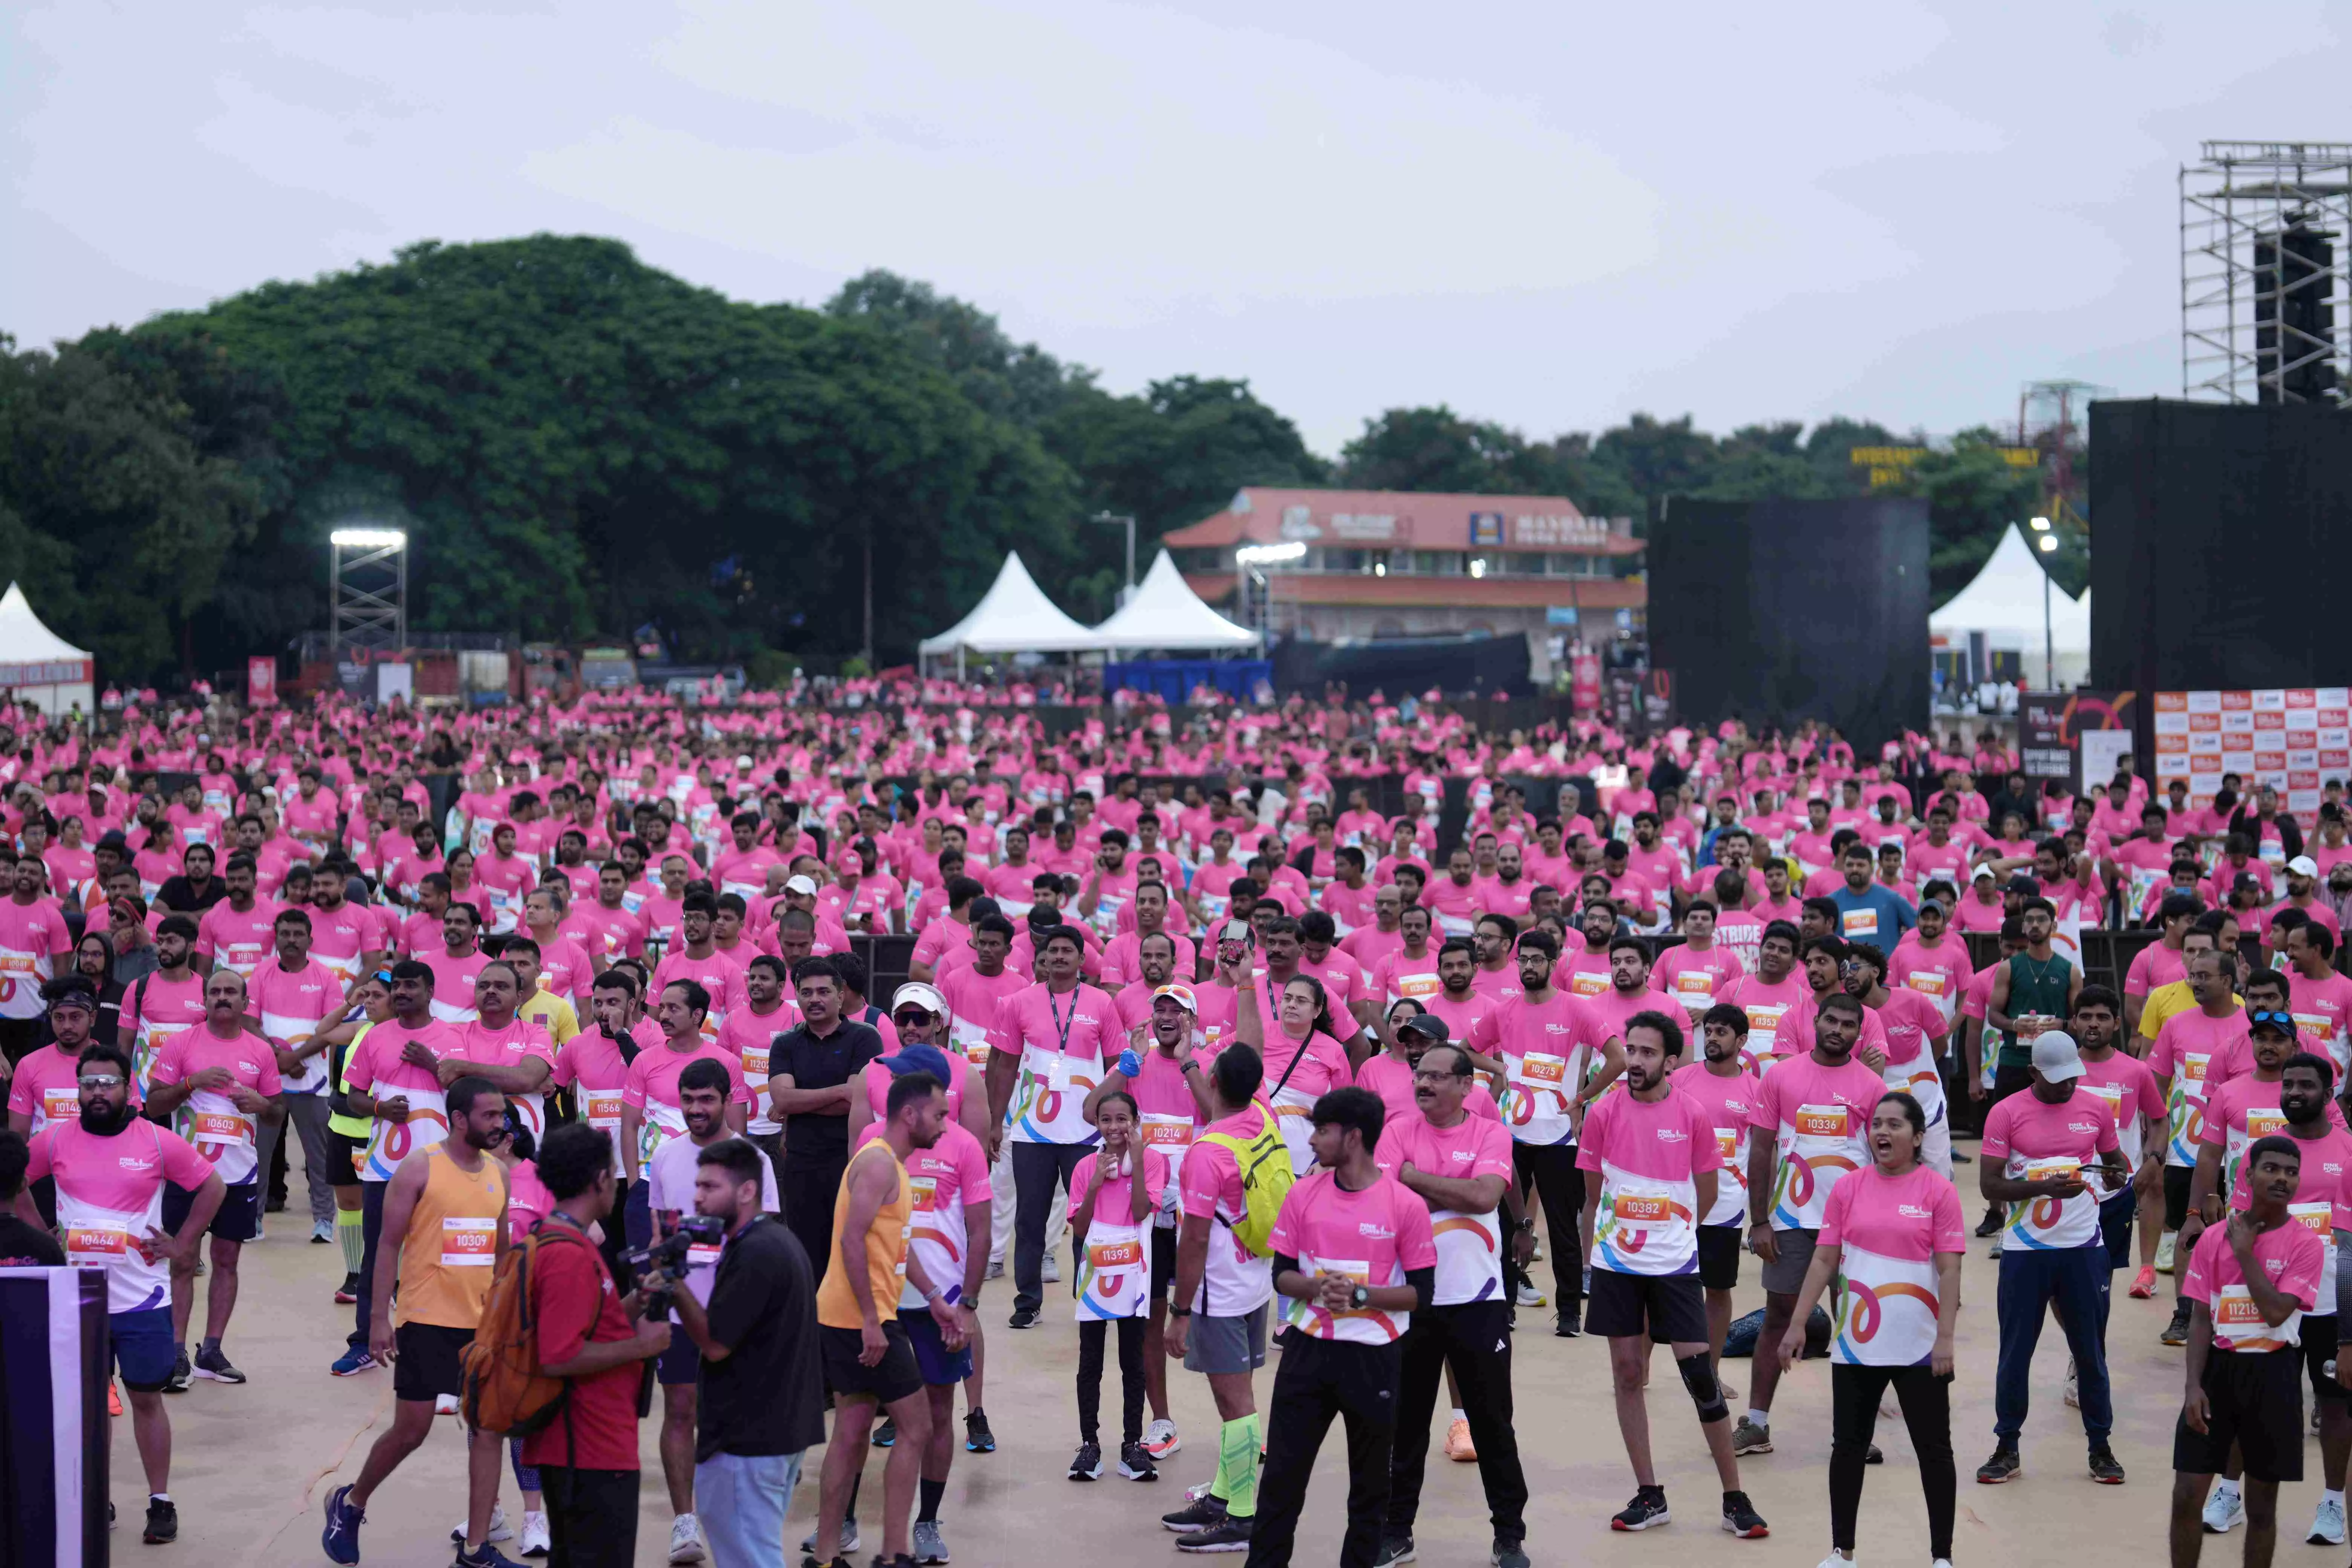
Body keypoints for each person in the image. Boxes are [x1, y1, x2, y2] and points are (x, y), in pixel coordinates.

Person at [14, 1040, 221, 1545]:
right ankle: (95, 1497)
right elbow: (14, 1180)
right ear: (78, 1090)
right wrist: (41, 1237)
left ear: (128, 1089)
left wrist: (185, 1243)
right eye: (89, 1084)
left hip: (142, 1300)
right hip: (78, 1298)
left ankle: (160, 1502)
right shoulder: (55, 1139)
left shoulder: (155, 1141)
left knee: (147, 1399)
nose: (98, 1092)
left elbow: (212, 1186)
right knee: (88, 1406)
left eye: (108, 1082)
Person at [1579, 1009, 1769, 1538]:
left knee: (1700, 1378)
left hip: (1675, 1267)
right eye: (1630, 1051)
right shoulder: (1602, 1113)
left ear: (1670, 1059)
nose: (1635, 1062)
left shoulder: (1691, 1114)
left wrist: (1672, 1239)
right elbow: (1595, 1198)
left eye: (1646, 1053)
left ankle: (1735, 1498)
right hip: (1618, 1266)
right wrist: (1597, 1259)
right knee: (1627, 1374)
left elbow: (1706, 1194)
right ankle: (1649, 1494)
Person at [320, 1076, 517, 1568]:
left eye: (501, 1115)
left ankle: (475, 1550)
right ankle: (351, 1502)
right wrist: (377, 1320)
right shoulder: (418, 1168)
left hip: (483, 1327)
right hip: (426, 1319)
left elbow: (502, 1253)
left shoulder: (499, 1173)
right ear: (458, 1119)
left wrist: (508, 1316)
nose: (500, 1124)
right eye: (490, 1116)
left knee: (488, 1431)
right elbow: (386, 1245)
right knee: (412, 1430)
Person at [1245, 1086, 1434, 1568]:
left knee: (1370, 1490)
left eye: (1323, 1130)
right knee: (1281, 1484)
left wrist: (1360, 1296)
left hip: (1373, 1359)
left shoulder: (1404, 1204)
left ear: (1352, 1137)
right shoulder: (1303, 1192)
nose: (1312, 1140)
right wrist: (1313, 1288)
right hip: (1307, 1355)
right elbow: (1281, 1273)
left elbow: (1421, 1294)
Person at [1776, 1090, 1963, 1568]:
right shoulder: (1849, 1187)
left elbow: (1949, 1270)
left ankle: (1942, 1556)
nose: (1882, 1131)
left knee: (1934, 1449)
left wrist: (1945, 1338)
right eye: (1877, 1123)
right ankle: (1844, 1552)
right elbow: (1824, 1259)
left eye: (1895, 1124)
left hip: (1921, 1345)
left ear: (1919, 1137)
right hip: (1857, 1344)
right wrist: (1798, 1322)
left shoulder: (1938, 1191)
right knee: (1848, 1447)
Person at [1378, 1042, 1532, 1567]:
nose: (1424, 1084)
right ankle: (1397, 1532)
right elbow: (1383, 1197)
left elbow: (1487, 1197)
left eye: (1438, 1077)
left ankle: (1509, 1536)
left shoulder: (1491, 1132)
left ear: (1467, 1085)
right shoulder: (1397, 1130)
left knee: (1493, 1424)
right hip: (1413, 1301)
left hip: (1479, 1302)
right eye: (1420, 1075)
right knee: (1406, 1424)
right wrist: (1453, 1188)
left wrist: (1415, 1178)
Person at [806, 1070, 967, 1568]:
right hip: (864, 1319)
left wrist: (934, 1297)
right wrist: (874, 1323)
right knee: (917, 1426)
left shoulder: (890, 1164)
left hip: (856, 1314)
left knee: (853, 1431)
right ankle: (895, 1552)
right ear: (910, 1114)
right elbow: (852, 1242)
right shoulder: (878, 1166)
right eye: (939, 1115)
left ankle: (828, 1555)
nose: (945, 1124)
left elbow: (894, 1247)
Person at [1736, 989, 1888, 1457]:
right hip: (1790, 1222)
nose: (1838, 1030)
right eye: (1831, 1021)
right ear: (1816, 1021)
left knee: (1852, 1325)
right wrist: (1759, 1219)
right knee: (1778, 1319)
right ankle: (1757, 1423)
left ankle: (1854, 1432)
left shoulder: (1873, 1087)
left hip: (1853, 1230)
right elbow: (1761, 1149)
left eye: (1848, 1025)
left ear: (1859, 1034)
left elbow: (1886, 1162)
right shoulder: (1781, 1075)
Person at [666, 1135, 828, 1568]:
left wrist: (674, 1284)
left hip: (749, 1443)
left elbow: (716, 1344)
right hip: (777, 1432)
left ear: (747, 1191)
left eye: (710, 1187)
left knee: (751, 1559)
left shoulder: (756, 1253)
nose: (698, 1196)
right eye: (698, 1185)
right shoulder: (774, 1241)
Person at [1977, 1031, 2130, 1486]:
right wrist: (2043, 1187)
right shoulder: (2005, 1112)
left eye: (2072, 1078)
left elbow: (2117, 1165)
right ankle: (2007, 1446)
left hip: (2084, 1249)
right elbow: (1990, 1186)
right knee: (2015, 1352)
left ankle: (2101, 1447)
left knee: (2090, 1352)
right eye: (2057, 1078)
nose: (2067, 1086)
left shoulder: (2095, 1108)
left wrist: (2110, 1176)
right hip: (2026, 1251)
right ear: (2033, 1072)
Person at [856, 1043, 991, 1559]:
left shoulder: (962, 1146)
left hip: (942, 1306)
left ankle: (928, 1524)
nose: (889, 1082)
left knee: (938, 1412)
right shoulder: (874, 1139)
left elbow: (981, 1232)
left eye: (901, 1075)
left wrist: (969, 1304)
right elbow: (859, 1228)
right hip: (883, 1303)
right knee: (860, 1413)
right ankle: (844, 1520)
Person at [2170, 1135, 2328, 1568]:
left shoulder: (2306, 1244)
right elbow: (2202, 1317)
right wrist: (2192, 1386)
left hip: (2274, 1375)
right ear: (2249, 1174)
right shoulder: (2213, 1237)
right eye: (2272, 1168)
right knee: (2186, 1496)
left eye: (2291, 1171)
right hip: (2217, 1374)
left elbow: (2277, 1312)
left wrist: (2245, 1253)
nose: (2282, 1178)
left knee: (2261, 1508)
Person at [522, 1121, 675, 1568]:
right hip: (586, 1448)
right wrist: (642, 1348)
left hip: (586, 1444)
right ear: (601, 1179)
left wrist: (635, 1301)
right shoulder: (567, 1254)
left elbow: (588, 1324)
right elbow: (559, 1355)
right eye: (613, 1169)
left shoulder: (571, 1240)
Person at [646, 1056, 778, 1565]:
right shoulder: (665, 1157)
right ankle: (685, 1524)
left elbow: (768, 1239)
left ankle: (737, 1519)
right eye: (688, 1100)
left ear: (728, 1100)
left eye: (707, 1100)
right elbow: (659, 1231)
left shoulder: (754, 1161)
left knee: (737, 1418)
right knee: (680, 1410)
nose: (696, 1110)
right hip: (680, 1313)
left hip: (739, 1315)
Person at [1161, 1045, 1276, 1553]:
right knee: (1239, 1397)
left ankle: (1245, 1519)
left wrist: (1179, 1312)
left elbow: (1195, 1240)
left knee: (1236, 1404)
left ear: (1212, 1079)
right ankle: (1225, 1497)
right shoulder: (1263, 1117)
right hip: (1256, 1280)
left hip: (1220, 1294)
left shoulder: (1207, 1152)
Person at [145, 966, 284, 1389]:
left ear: (246, 1002)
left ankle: (211, 1349)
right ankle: (176, 1353)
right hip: (187, 1176)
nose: (222, 997)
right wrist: (191, 1082)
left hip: (239, 1176)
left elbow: (278, 1111)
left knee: (227, 1261)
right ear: (204, 1000)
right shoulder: (181, 1044)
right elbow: (153, 1105)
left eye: (231, 992)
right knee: (183, 1259)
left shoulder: (261, 1051)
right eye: (215, 991)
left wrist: (261, 1102)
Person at [984, 924, 1115, 1329]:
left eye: (1067, 951)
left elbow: (1115, 1065)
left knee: (1087, 1218)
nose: (1059, 957)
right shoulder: (1018, 1002)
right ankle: (1028, 1301)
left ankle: (1089, 1296)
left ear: (1081, 959)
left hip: (1086, 1131)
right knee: (1030, 1218)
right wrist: (996, 1120)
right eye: (1052, 951)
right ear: (1041, 960)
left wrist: (1114, 1123)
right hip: (1030, 1130)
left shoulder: (1102, 1003)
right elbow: (1004, 1065)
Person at [336, 958, 462, 1377]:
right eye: (399, 986)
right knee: (378, 1255)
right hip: (383, 1168)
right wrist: (378, 1106)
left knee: (441, 1258)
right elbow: (352, 1096)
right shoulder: (374, 1037)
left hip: (441, 1169)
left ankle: (437, 1345)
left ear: (430, 992)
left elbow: (466, 1093)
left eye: (412, 985)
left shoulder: (452, 1037)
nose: (403, 992)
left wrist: (433, 1064)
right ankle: (364, 1343)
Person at [1066, 1086, 1169, 1482]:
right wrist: (1094, 1183)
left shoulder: (1154, 1160)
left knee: (1133, 1361)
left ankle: (1131, 1445)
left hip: (1134, 1272)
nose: (1114, 1126)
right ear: (1097, 1124)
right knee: (1090, 1361)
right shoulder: (1082, 1168)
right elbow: (1079, 1226)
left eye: (1122, 1119)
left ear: (1135, 1122)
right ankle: (1089, 1445)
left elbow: (1142, 1210)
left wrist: (1138, 1162)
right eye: (1106, 1119)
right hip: (1095, 1271)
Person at [1674, 1002, 1764, 1390]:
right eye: (1709, 1030)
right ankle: (1638, 1369)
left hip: (1725, 1210)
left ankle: (1708, 1375)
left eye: (1722, 1031)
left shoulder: (1756, 1090)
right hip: (1675, 1205)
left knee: (1718, 1290)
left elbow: (1763, 1152)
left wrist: (1763, 1212)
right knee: (1656, 1288)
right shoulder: (1679, 1079)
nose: (1712, 1037)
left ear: (1742, 1040)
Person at [250, 906, 346, 1243]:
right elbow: (249, 1022)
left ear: (310, 939)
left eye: (298, 934)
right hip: (268, 1082)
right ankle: (254, 1220)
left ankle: (323, 1220)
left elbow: (330, 1028)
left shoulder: (326, 977)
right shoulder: (260, 975)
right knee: (260, 1154)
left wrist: (294, 1058)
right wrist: (277, 1058)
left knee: (318, 1156)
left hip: (312, 1081)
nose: (291, 940)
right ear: (275, 938)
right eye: (285, 934)